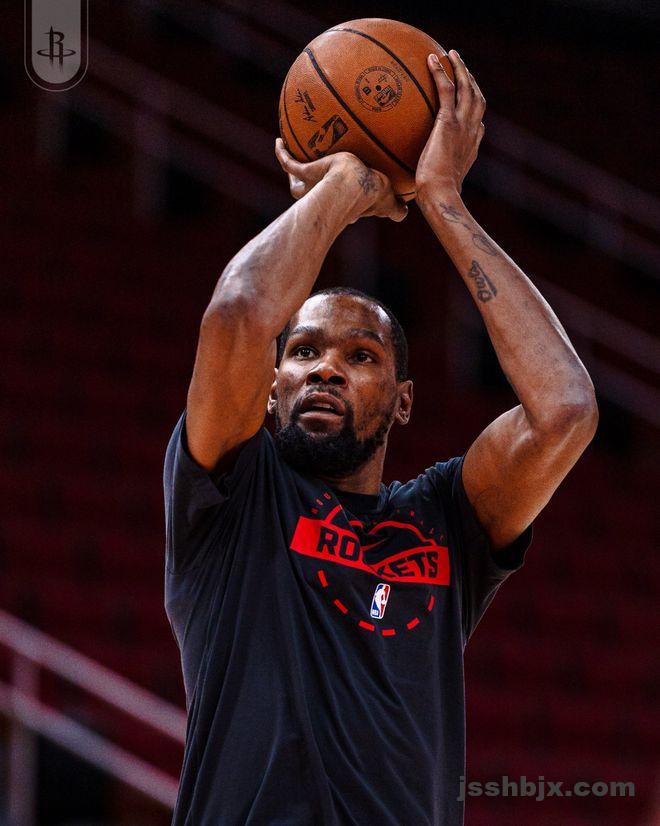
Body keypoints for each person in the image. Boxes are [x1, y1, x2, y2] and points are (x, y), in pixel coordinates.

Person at [163, 51, 597, 825]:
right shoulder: (232, 493)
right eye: (303, 352)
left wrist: (444, 202)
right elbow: (237, 314)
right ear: (271, 387)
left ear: (402, 403)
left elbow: (564, 408)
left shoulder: (444, 519)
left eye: (360, 356)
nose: (326, 368)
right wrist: (344, 188)